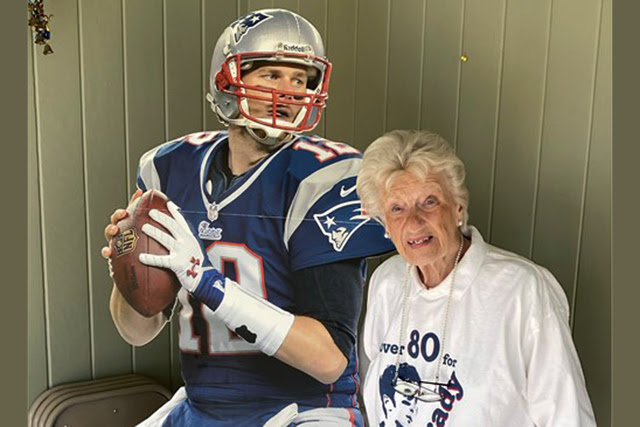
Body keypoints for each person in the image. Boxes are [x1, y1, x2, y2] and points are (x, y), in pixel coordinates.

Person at [101, 9, 394, 426]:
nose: (289, 91)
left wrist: (206, 281)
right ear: (226, 79)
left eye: (300, 79)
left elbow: (329, 360)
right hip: (203, 408)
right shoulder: (171, 168)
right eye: (271, 75)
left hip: (305, 412)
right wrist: (126, 264)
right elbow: (137, 332)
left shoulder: (325, 176)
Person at [356, 130, 596, 426]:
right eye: (397, 208)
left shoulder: (522, 289)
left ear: (458, 207)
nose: (414, 222)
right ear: (385, 223)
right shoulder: (387, 282)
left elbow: (567, 416)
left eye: (429, 202)